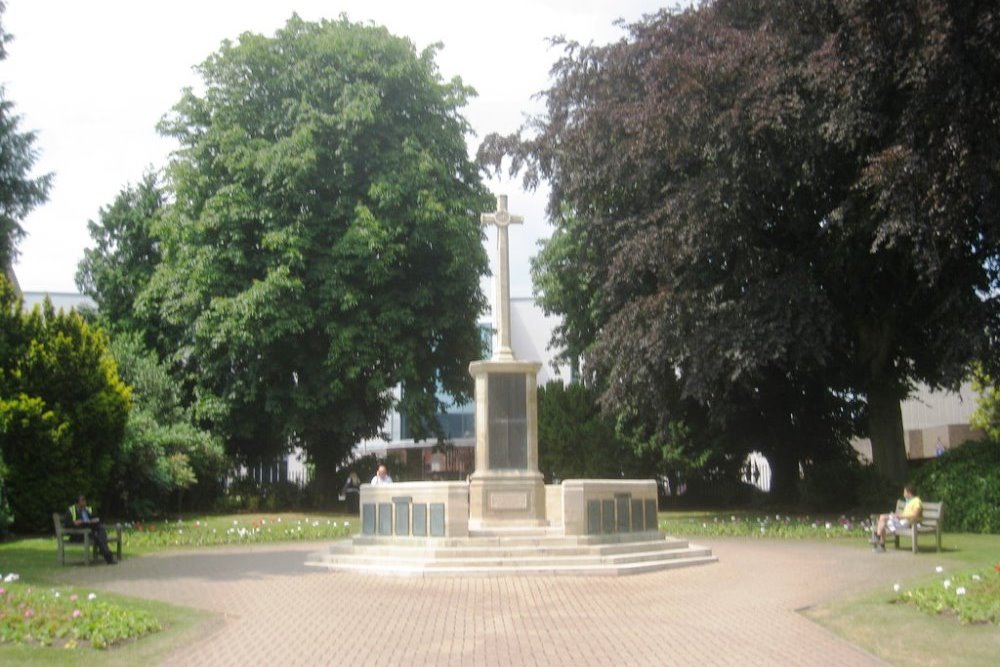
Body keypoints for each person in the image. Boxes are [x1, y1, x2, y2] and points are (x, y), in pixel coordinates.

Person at [65, 495, 116, 564]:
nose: (84, 502)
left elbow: (93, 518)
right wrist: (75, 523)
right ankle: (107, 554)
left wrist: (94, 520)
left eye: (85, 500)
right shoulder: (71, 511)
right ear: (77, 503)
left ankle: (105, 552)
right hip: (78, 534)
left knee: (100, 529)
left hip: (89, 531)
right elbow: (67, 525)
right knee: (97, 536)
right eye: (82, 500)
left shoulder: (87, 510)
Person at [872, 484, 923, 552]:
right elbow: (905, 513)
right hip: (901, 521)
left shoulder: (917, 501)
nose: (903, 494)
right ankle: (881, 545)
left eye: (904, 492)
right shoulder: (909, 501)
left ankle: (878, 539)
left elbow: (915, 515)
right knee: (882, 520)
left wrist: (900, 516)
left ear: (909, 493)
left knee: (883, 519)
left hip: (908, 523)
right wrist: (896, 515)